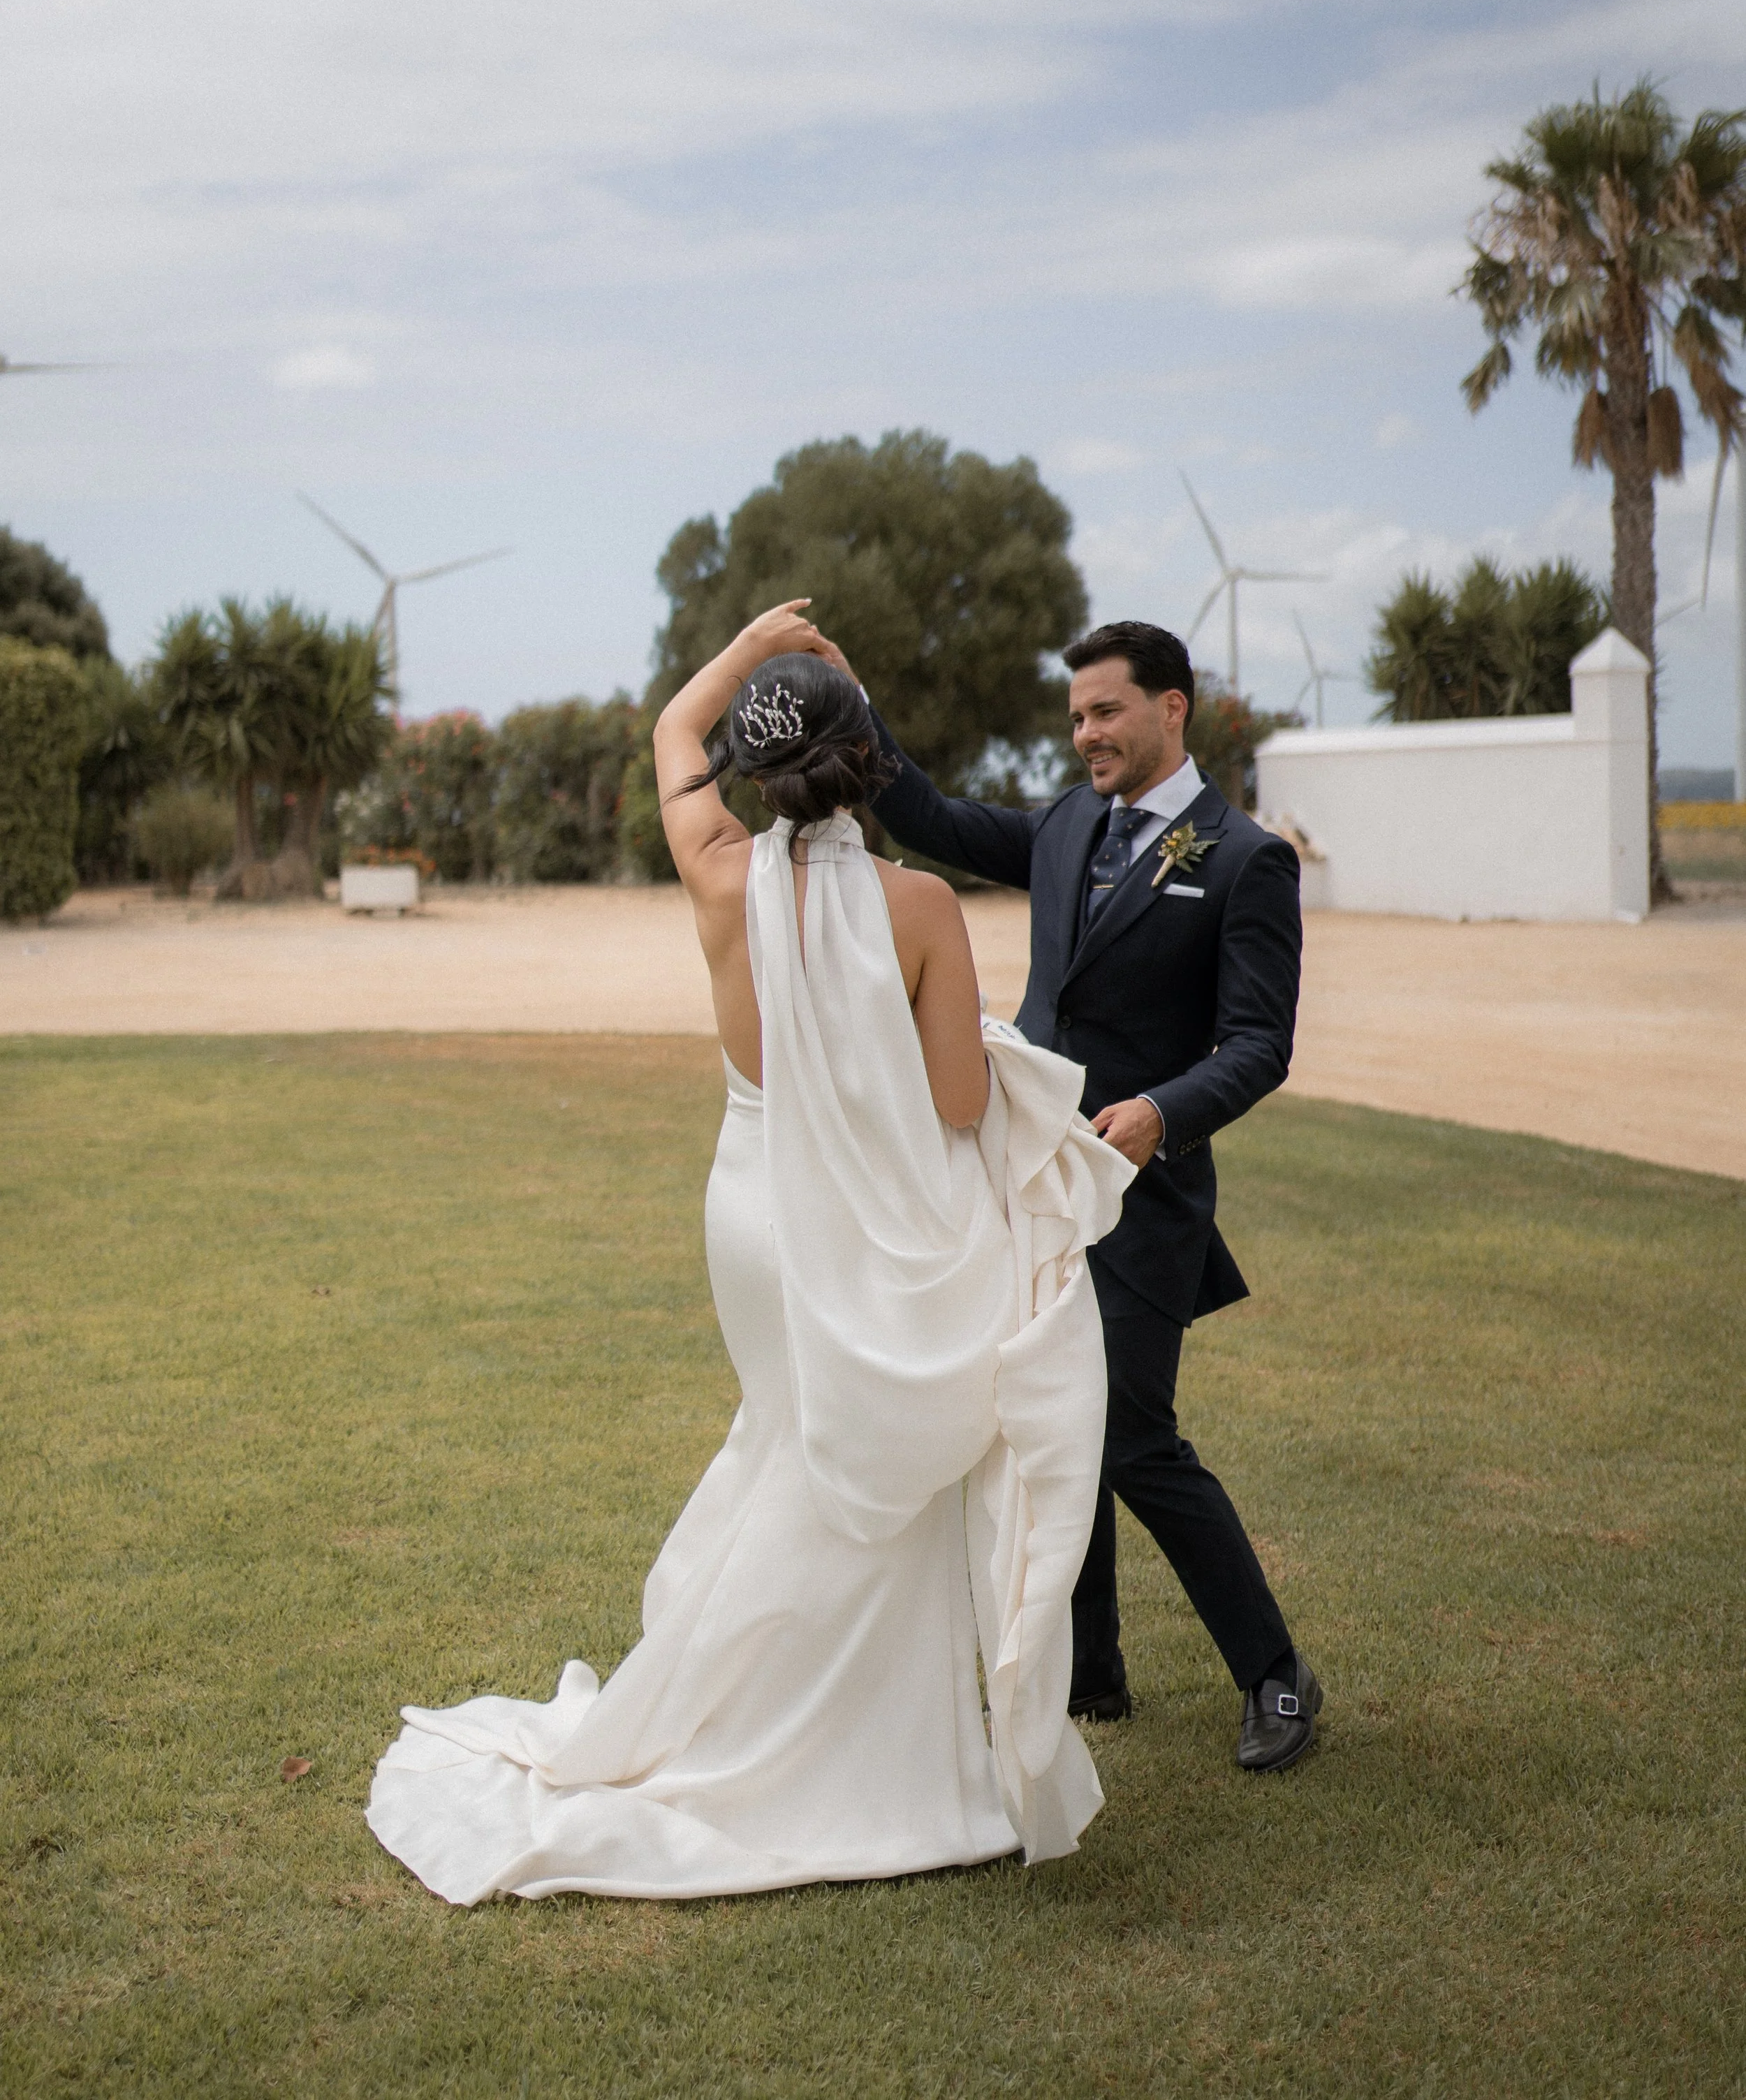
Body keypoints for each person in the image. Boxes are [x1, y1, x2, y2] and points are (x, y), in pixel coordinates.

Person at [366, 601, 1133, 1904]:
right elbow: (956, 1104)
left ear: (758, 775)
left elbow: (674, 728)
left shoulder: (716, 866)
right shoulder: (920, 907)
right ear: (868, 759)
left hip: (751, 1211)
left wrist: (752, 640)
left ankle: (740, 1701)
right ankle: (859, 1745)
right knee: (872, 1464)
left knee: (790, 1438)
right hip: (868, 1212)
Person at [837, 617, 1320, 1772]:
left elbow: (1259, 1044)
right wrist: (855, 712)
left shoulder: (1246, 860)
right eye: (1075, 717)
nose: (1085, 734)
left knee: (1133, 1433)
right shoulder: (1064, 827)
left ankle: (1278, 1675)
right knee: (1056, 1416)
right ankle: (1093, 1673)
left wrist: (1162, 1113)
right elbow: (932, 818)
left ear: (1171, 708)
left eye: (1105, 711)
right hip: (1032, 1188)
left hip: (1145, 1202)